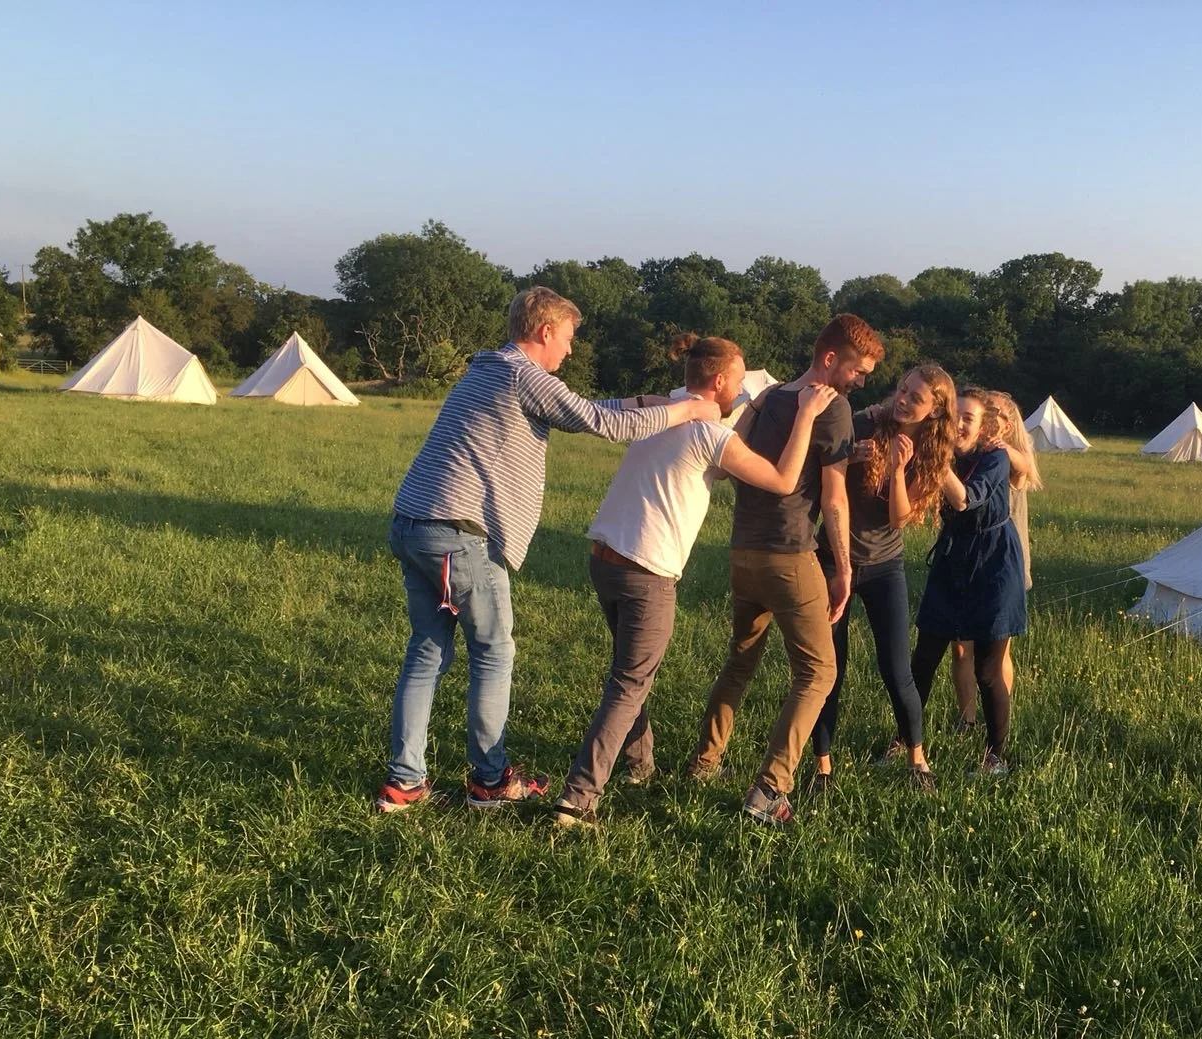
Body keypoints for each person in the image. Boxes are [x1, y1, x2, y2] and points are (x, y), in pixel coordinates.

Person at [376, 287, 720, 814]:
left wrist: (658, 404)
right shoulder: (524, 375)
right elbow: (605, 425)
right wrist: (687, 412)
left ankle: (405, 783)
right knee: (494, 651)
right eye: (568, 337)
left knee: (427, 651)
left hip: (414, 523)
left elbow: (586, 409)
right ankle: (490, 782)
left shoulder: (492, 368)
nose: (571, 349)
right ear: (544, 332)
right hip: (459, 534)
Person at [553, 335, 836, 827]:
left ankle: (640, 766)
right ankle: (578, 799)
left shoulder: (661, 410)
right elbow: (783, 480)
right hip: (647, 570)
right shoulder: (709, 434)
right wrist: (807, 417)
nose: (743, 391)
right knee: (629, 682)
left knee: (629, 671)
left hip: (603, 557)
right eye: (740, 379)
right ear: (720, 380)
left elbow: (707, 460)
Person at [688, 314, 886, 826]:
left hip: (742, 554)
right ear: (829, 359)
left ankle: (704, 764)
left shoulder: (768, 398)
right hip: (791, 556)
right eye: (858, 370)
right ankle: (770, 789)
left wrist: (846, 452)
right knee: (819, 672)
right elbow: (836, 500)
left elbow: (744, 459)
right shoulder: (835, 407)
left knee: (741, 660)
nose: (861, 380)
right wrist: (843, 568)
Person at [808, 363, 956, 795]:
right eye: (902, 389)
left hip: (884, 565)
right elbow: (821, 474)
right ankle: (822, 768)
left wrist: (895, 470)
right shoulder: (862, 422)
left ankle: (917, 761)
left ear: (933, 411)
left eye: (915, 397)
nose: (902, 398)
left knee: (896, 669)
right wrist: (848, 457)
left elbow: (899, 518)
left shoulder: (931, 452)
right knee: (829, 667)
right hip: (833, 559)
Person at [910, 386, 1026, 775]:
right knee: (923, 659)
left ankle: (996, 756)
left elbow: (963, 499)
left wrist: (937, 460)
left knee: (988, 670)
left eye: (968, 418)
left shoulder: (994, 458)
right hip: (951, 560)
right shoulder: (945, 455)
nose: (958, 424)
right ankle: (905, 741)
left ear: (983, 427)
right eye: (953, 415)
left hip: (994, 564)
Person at [950, 389, 1043, 730]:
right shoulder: (972, 454)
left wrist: (1004, 448)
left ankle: (996, 716)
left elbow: (1025, 468)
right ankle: (966, 719)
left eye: (998, 418)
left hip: (1005, 564)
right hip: (966, 559)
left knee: (997, 653)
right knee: (961, 648)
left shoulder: (1008, 458)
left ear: (1007, 424)